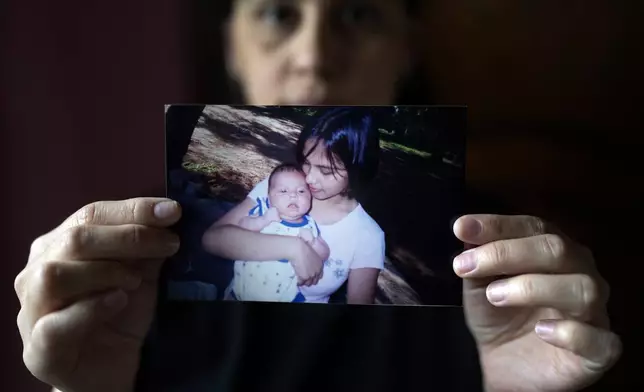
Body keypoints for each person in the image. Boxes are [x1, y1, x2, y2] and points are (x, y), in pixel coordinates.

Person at [14, 1, 621, 391]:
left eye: (357, 15)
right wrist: (93, 384)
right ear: (232, 43)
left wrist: (506, 381)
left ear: (406, 49)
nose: (313, 59)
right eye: (279, 14)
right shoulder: (142, 254)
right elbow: (216, 237)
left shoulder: (485, 262)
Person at [204, 108, 384, 306]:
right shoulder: (282, 188)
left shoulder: (368, 236)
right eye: (306, 162)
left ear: (358, 170)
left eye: (326, 170)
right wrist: (292, 247)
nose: (309, 178)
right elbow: (212, 239)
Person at [219, 163, 331, 303]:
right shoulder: (263, 211)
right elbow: (242, 226)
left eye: (301, 191)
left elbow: (324, 254)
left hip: (280, 297)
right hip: (239, 290)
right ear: (269, 196)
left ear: (310, 197)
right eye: (283, 191)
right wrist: (263, 221)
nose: (293, 195)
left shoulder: (309, 226)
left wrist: (313, 243)